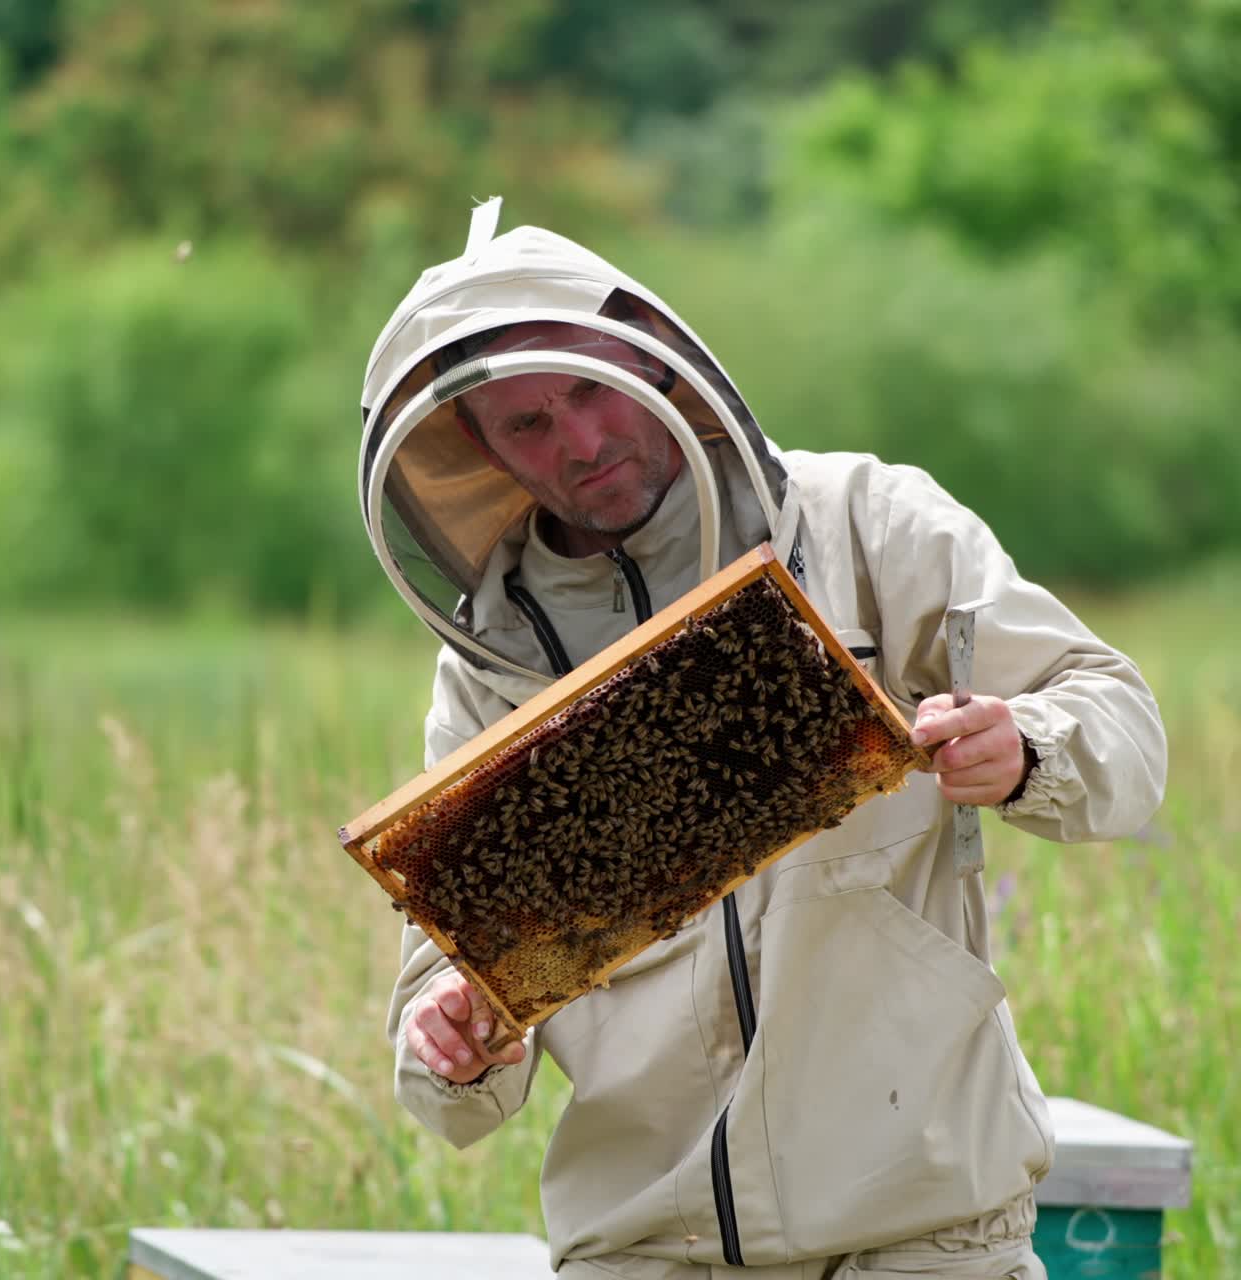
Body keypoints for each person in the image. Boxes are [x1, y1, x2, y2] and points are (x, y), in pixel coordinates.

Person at [358, 199, 1166, 1278]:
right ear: (479, 446)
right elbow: (445, 1029)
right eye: (528, 425)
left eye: (589, 391)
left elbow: (1122, 724)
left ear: (645, 359)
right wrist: (452, 1042)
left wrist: (1027, 744)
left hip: (928, 1232)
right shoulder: (488, 674)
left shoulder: (866, 524)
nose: (582, 442)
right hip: (649, 1249)